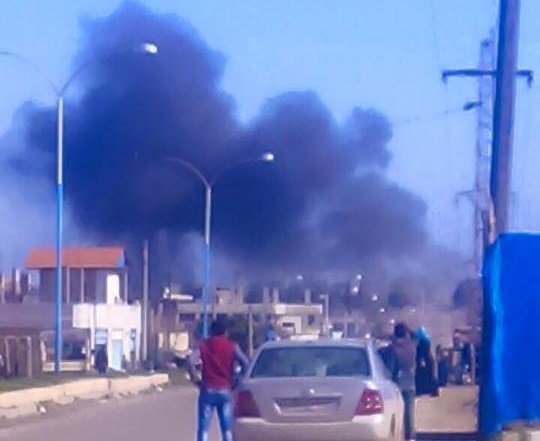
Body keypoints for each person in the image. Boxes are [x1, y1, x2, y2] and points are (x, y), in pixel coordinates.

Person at [189, 319, 249, 441]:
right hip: (225, 388)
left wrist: (195, 379)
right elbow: (246, 363)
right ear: (225, 332)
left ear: (211, 331)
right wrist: (237, 380)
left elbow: (190, 361)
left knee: (203, 428)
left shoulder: (204, 346)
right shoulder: (232, 346)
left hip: (207, 388)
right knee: (226, 428)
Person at [384, 322, 417, 441]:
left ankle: (396, 436)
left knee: (394, 412)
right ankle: (410, 437)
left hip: (396, 384)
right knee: (409, 412)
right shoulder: (411, 346)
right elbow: (416, 336)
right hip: (410, 382)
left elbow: (390, 368)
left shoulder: (393, 349)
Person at [415, 327, 438, 397]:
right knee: (431, 376)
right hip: (429, 360)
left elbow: (420, 352)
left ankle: (420, 391)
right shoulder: (427, 340)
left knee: (420, 376)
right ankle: (433, 391)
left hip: (423, 360)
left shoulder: (421, 342)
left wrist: (421, 360)